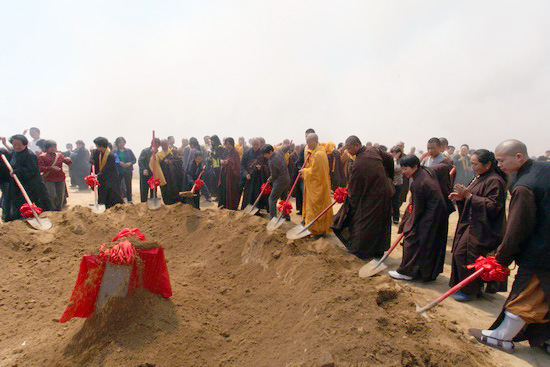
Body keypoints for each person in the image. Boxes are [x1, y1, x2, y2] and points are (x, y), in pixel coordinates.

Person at [469, 140, 550, 353]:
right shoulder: (544, 169)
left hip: (541, 252)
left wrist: (501, 258)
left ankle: (501, 337)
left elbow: (518, 228)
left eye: (502, 160)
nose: (499, 164)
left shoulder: (524, 186)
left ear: (519, 157)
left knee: (525, 294)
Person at [449, 149, 508, 302]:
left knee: (466, 256)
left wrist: (469, 196)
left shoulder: (495, 181)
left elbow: (494, 206)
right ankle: (469, 286)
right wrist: (461, 198)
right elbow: (472, 196)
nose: (472, 167)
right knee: (460, 253)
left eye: (475, 164)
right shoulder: (480, 177)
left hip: (483, 228)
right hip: (472, 223)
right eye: (471, 163)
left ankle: (470, 290)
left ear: (488, 164)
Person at [389, 155, 448, 281]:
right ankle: (422, 273)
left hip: (431, 214)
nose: (404, 172)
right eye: (402, 169)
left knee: (412, 239)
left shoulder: (418, 183)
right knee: (426, 243)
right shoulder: (425, 171)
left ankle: (407, 272)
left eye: (406, 169)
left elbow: (418, 210)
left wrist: (409, 224)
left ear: (415, 166)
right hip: (436, 212)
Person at [332, 136, 394, 258]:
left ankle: (362, 251)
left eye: (350, 148)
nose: (348, 151)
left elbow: (354, 191)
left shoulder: (359, 164)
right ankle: (379, 250)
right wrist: (389, 178)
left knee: (363, 223)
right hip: (385, 192)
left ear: (357, 145)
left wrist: (351, 205)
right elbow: (389, 158)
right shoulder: (373, 150)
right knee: (380, 222)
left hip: (373, 197)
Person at [2, 134, 50, 222]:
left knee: (28, 204)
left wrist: (18, 171)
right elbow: (8, 156)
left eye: (18, 145)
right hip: (17, 186)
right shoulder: (15, 153)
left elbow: (31, 170)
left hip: (30, 186)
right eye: (14, 144)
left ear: (24, 144)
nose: (16, 146)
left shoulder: (29, 155)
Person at [301, 133, 333, 237]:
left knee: (316, 209)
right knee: (318, 208)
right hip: (319, 185)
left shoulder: (319, 154)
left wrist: (304, 171)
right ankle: (319, 229)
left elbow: (315, 172)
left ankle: (316, 230)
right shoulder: (318, 151)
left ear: (315, 141)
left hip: (317, 187)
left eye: (309, 142)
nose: (307, 145)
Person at [38, 140, 72, 211]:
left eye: (54, 147)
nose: (53, 148)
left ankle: (59, 209)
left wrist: (69, 160)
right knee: (52, 195)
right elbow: (40, 168)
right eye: (51, 147)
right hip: (49, 178)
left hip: (60, 178)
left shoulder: (59, 155)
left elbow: (67, 162)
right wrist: (50, 168)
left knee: (61, 195)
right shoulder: (42, 156)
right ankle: (52, 209)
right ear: (47, 148)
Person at [90, 137, 124, 209]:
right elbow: (92, 155)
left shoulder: (110, 155)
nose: (96, 147)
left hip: (110, 179)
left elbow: (106, 169)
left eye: (97, 146)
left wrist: (97, 175)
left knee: (113, 195)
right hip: (102, 179)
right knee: (102, 195)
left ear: (101, 146)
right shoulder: (98, 152)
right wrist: (92, 160)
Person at [262, 144, 291, 218]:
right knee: (284, 198)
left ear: (270, 152)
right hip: (287, 179)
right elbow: (286, 147)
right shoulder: (279, 151)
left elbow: (274, 175)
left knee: (272, 199)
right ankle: (286, 215)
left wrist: (270, 178)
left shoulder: (271, 161)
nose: (265, 156)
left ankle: (273, 217)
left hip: (279, 181)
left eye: (266, 154)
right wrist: (289, 146)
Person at [151, 139, 183, 205]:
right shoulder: (158, 155)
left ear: (168, 144)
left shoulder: (173, 152)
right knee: (166, 190)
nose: (164, 146)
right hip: (165, 176)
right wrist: (153, 154)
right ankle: (168, 203)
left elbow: (179, 161)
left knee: (176, 188)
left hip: (175, 175)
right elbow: (153, 163)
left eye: (165, 144)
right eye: (162, 144)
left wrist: (171, 162)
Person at [240, 138, 269, 211]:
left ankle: (257, 210)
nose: (256, 146)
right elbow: (242, 165)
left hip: (259, 178)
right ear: (251, 144)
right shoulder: (247, 153)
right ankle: (246, 209)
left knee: (257, 194)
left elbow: (267, 165)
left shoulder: (263, 153)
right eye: (254, 145)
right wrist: (246, 174)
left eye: (257, 145)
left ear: (260, 144)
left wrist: (261, 167)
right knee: (248, 194)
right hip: (249, 177)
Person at [296, 128, 316, 215]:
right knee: (304, 195)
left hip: (315, 177)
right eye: (306, 136)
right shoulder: (304, 148)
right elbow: (299, 162)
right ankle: (304, 213)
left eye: (308, 136)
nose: (307, 138)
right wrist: (301, 170)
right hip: (304, 176)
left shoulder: (320, 150)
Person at [218, 137, 241, 210]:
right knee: (224, 190)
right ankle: (224, 205)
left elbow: (236, 164)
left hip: (232, 177)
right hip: (226, 174)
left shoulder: (235, 152)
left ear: (232, 144)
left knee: (232, 191)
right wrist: (223, 161)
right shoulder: (227, 151)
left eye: (228, 144)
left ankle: (231, 206)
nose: (227, 145)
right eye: (226, 144)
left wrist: (227, 162)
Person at [113, 137, 136, 202]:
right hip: (118, 170)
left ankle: (129, 199)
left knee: (128, 185)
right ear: (117, 143)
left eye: (122, 142)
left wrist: (129, 163)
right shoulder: (114, 151)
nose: (121, 144)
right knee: (118, 185)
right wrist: (119, 163)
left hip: (128, 170)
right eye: (119, 142)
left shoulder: (129, 151)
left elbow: (134, 159)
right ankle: (119, 199)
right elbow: (112, 160)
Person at [138, 138, 160, 202]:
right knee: (144, 190)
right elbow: (140, 161)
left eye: (158, 144)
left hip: (153, 174)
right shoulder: (145, 151)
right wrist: (144, 169)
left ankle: (153, 203)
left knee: (153, 190)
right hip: (145, 174)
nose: (156, 145)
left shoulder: (158, 153)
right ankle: (143, 203)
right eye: (155, 143)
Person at [390, 146, 404, 224]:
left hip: (397, 184)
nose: (392, 154)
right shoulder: (390, 159)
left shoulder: (401, 161)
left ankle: (396, 218)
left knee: (395, 201)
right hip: (390, 183)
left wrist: (395, 159)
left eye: (394, 152)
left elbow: (397, 169)